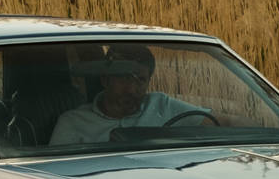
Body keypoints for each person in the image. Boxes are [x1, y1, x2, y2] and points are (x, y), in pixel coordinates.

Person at [48, 43, 212, 145]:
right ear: (105, 80)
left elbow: (220, 122)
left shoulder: (161, 104)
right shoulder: (73, 122)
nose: (132, 89)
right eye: (124, 78)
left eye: (140, 80)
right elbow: (54, 176)